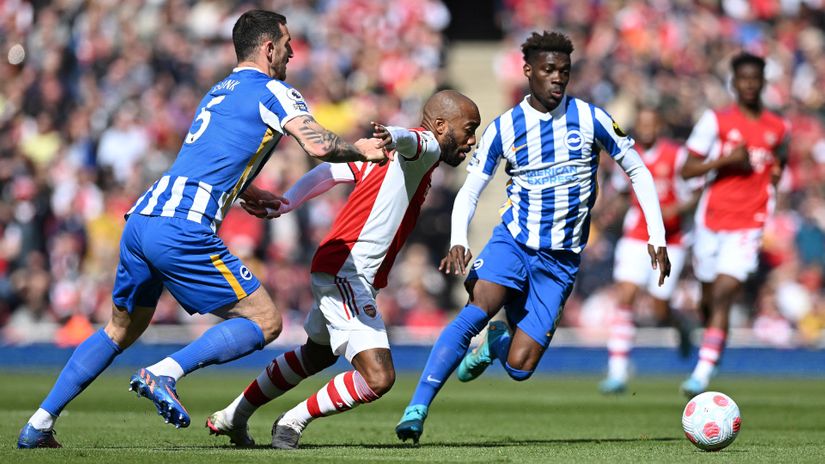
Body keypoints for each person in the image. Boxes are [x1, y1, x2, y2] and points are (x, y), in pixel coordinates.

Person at [17, 10, 388, 449]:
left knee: (119, 329)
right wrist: (359, 149)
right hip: (183, 227)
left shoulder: (218, 90)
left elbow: (211, 154)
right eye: (287, 43)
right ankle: (164, 372)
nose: (291, 52)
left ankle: (39, 424)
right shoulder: (276, 91)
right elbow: (318, 144)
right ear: (269, 48)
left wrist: (245, 193)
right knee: (265, 322)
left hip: (143, 218)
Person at [395, 31, 671, 444]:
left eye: (564, 71)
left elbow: (638, 169)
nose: (557, 78)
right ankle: (416, 408)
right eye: (548, 70)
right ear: (528, 72)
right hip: (514, 242)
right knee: (476, 310)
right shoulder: (506, 127)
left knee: (521, 367)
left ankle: (498, 343)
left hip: (560, 261)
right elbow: (471, 189)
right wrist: (458, 237)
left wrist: (658, 234)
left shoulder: (592, 119)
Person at [205, 90, 480, 449]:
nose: (471, 141)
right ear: (441, 125)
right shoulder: (424, 147)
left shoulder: (387, 157)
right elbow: (415, 140)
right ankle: (291, 422)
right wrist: (393, 134)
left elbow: (330, 171)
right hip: (348, 271)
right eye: (468, 129)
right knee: (379, 377)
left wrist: (288, 201)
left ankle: (232, 415)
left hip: (338, 267)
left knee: (315, 355)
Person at [679, 52, 788, 397]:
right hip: (711, 220)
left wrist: (774, 177)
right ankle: (713, 337)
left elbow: (778, 165)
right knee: (708, 298)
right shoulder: (716, 121)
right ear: (735, 82)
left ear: (763, 82)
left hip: (749, 224)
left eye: (756, 79)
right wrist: (726, 159)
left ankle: (701, 372)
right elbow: (687, 169)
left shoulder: (778, 128)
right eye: (744, 79)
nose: (750, 85)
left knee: (726, 293)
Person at [598, 107, 700, 394]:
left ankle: (680, 326)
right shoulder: (628, 155)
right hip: (635, 235)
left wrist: (675, 209)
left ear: (659, 125)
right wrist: (604, 213)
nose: (645, 129)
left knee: (659, 308)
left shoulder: (676, 155)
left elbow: (696, 192)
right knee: (625, 296)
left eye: (650, 123)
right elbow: (620, 192)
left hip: (672, 240)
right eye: (641, 124)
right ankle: (618, 371)